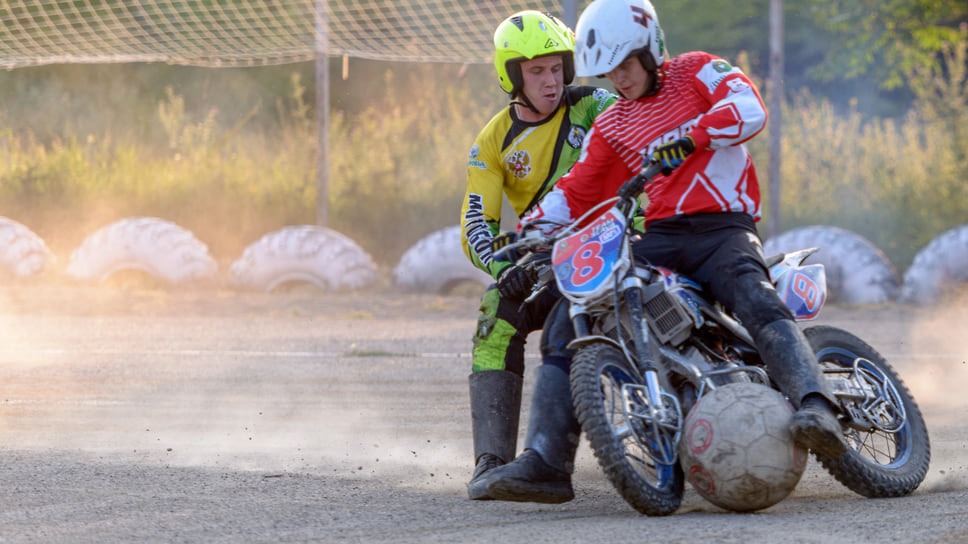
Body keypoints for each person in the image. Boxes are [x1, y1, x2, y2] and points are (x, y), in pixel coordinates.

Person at [483, 0, 848, 504]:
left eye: (626, 65)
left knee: (752, 293)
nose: (620, 78)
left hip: (723, 228)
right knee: (573, 312)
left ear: (651, 49)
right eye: (610, 71)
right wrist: (525, 236)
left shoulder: (697, 70)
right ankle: (547, 462)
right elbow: (578, 189)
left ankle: (817, 407)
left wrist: (692, 137)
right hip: (661, 237)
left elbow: (749, 110)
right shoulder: (613, 123)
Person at [459, 10, 617, 501]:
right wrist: (503, 268)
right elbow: (474, 223)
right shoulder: (493, 140)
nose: (550, 82)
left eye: (556, 69)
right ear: (512, 77)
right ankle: (492, 463)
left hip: (621, 245)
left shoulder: (594, 105)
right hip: (553, 262)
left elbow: (635, 131)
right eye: (536, 72)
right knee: (494, 314)